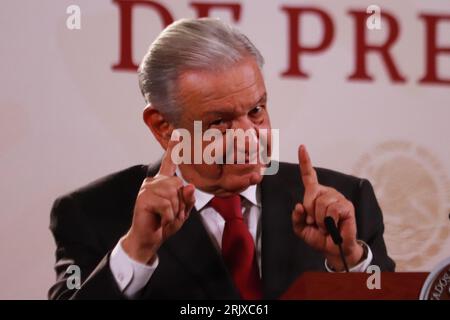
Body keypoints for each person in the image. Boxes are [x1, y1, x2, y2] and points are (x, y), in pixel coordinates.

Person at [48, 18, 395, 300]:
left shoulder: (345, 205)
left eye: (256, 111)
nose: (250, 137)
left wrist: (349, 262)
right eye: (219, 122)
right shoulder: (91, 213)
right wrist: (135, 252)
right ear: (164, 126)